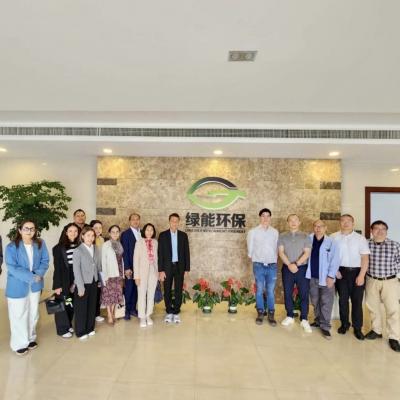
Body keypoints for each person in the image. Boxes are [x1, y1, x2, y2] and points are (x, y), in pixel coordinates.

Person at [5, 220, 49, 355]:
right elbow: (12, 267)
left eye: (32, 228)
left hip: (35, 285)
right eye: (26, 228)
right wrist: (31, 276)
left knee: (33, 313)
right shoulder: (12, 246)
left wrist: (38, 274)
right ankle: (19, 344)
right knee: (19, 314)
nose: (29, 231)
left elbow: (45, 261)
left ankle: (30, 338)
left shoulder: (40, 243)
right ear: (20, 230)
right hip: (17, 285)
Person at [331, 214, 370, 340]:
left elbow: (365, 258)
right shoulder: (333, 237)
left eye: (348, 221)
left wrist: (361, 275)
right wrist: (335, 270)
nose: (346, 223)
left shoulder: (360, 238)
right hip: (341, 272)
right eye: (343, 221)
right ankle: (344, 324)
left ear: (353, 223)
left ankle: (357, 328)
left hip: (357, 272)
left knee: (357, 301)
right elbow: (330, 256)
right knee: (343, 300)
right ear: (340, 223)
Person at [365, 220, 400, 352]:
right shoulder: (366, 244)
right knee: (372, 307)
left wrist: (393, 270)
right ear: (371, 231)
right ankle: (376, 330)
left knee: (393, 309)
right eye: (377, 228)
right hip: (371, 280)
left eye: (383, 229)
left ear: (386, 231)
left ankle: (394, 337)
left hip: (390, 281)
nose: (380, 231)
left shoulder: (395, 245)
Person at [306, 220, 340, 339]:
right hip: (312, 277)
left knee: (326, 302)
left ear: (325, 228)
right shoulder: (308, 239)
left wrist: (331, 276)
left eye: (321, 226)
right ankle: (317, 320)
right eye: (316, 226)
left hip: (326, 278)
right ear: (313, 227)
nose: (318, 228)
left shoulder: (331, 242)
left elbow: (335, 260)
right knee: (315, 301)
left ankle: (325, 326)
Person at [278, 214, 312, 332]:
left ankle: (304, 318)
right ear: (288, 223)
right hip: (287, 268)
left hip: (302, 268)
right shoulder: (282, 236)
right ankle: (289, 316)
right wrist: (289, 264)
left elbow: (307, 253)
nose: (293, 222)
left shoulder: (305, 236)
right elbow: (281, 252)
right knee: (288, 293)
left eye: (295, 220)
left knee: (304, 293)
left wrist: (296, 264)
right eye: (291, 220)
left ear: (299, 222)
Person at [247, 208, 279, 326]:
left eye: (268, 216)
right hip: (259, 265)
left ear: (270, 218)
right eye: (263, 216)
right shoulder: (253, 232)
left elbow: (277, 248)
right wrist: (255, 259)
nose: (265, 218)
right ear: (260, 217)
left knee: (270, 291)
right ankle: (260, 313)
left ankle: (271, 314)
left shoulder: (275, 232)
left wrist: (274, 260)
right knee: (259, 290)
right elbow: (250, 250)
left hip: (272, 266)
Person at [158, 213, 190, 324]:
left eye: (176, 221)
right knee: (166, 289)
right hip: (167, 267)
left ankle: (176, 311)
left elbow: (186, 252)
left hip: (179, 267)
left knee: (178, 290)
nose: (174, 223)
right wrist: (161, 270)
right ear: (169, 222)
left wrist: (187, 269)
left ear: (179, 222)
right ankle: (169, 311)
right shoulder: (163, 235)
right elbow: (160, 254)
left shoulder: (183, 235)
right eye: (172, 221)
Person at [73, 226, 101, 340]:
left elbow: (98, 266)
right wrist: (80, 287)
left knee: (92, 306)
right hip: (83, 283)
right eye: (88, 235)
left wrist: (99, 280)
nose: (90, 238)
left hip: (94, 281)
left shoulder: (96, 248)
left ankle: (90, 328)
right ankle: (80, 331)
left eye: (92, 236)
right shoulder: (78, 250)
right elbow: (76, 270)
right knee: (81, 308)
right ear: (83, 236)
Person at [52, 223, 80, 338]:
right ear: (66, 233)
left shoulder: (80, 246)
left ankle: (68, 324)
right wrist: (57, 285)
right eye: (70, 231)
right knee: (62, 303)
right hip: (64, 279)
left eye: (75, 231)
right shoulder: (58, 248)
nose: (73, 233)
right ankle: (62, 329)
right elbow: (57, 268)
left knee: (70, 302)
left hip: (76, 278)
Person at [134, 223, 159, 328]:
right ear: (144, 231)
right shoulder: (139, 242)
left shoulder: (155, 242)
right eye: (147, 230)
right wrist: (136, 276)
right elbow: (136, 260)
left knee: (151, 295)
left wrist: (158, 272)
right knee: (141, 294)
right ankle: (142, 317)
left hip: (153, 272)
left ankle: (148, 315)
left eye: (151, 230)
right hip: (141, 273)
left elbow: (157, 258)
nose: (149, 232)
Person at [101, 225, 124, 325]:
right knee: (108, 294)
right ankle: (109, 314)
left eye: (117, 232)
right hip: (109, 273)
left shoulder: (120, 244)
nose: (115, 234)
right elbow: (103, 261)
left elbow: (121, 260)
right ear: (109, 233)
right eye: (113, 232)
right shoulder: (106, 244)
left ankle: (113, 312)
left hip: (118, 272)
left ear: (119, 233)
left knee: (116, 293)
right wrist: (105, 276)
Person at [120, 213, 141, 320]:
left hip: (140, 267)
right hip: (130, 267)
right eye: (133, 219)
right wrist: (127, 268)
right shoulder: (126, 234)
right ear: (130, 221)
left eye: (137, 219)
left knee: (136, 289)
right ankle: (126, 311)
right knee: (129, 289)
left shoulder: (141, 233)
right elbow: (125, 252)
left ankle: (133, 308)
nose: (135, 221)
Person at [90, 219, 105, 323]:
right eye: (96, 228)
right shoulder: (89, 240)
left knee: (98, 292)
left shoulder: (102, 239)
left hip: (101, 271)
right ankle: (91, 313)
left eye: (100, 228)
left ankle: (97, 314)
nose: (98, 230)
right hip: (92, 271)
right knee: (92, 293)